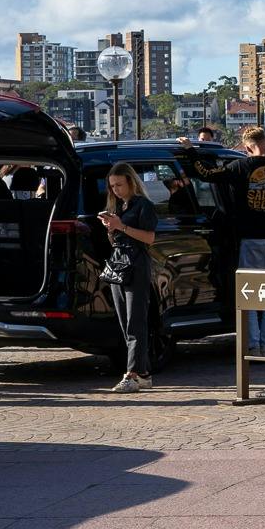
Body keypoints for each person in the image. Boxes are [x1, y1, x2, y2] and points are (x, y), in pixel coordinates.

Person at [189, 126, 265, 358]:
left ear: (247, 147)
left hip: (252, 238)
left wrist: (190, 151)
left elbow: (206, 174)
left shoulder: (241, 166)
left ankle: (253, 346)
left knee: (249, 293)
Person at [100, 163, 160, 393]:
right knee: (126, 324)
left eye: (119, 185)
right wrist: (110, 228)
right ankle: (142, 373)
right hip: (119, 264)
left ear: (131, 182)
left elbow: (149, 238)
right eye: (112, 186)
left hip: (136, 265)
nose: (116, 189)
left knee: (136, 322)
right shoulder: (118, 205)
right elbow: (116, 241)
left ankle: (132, 374)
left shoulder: (142, 205)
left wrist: (121, 226)